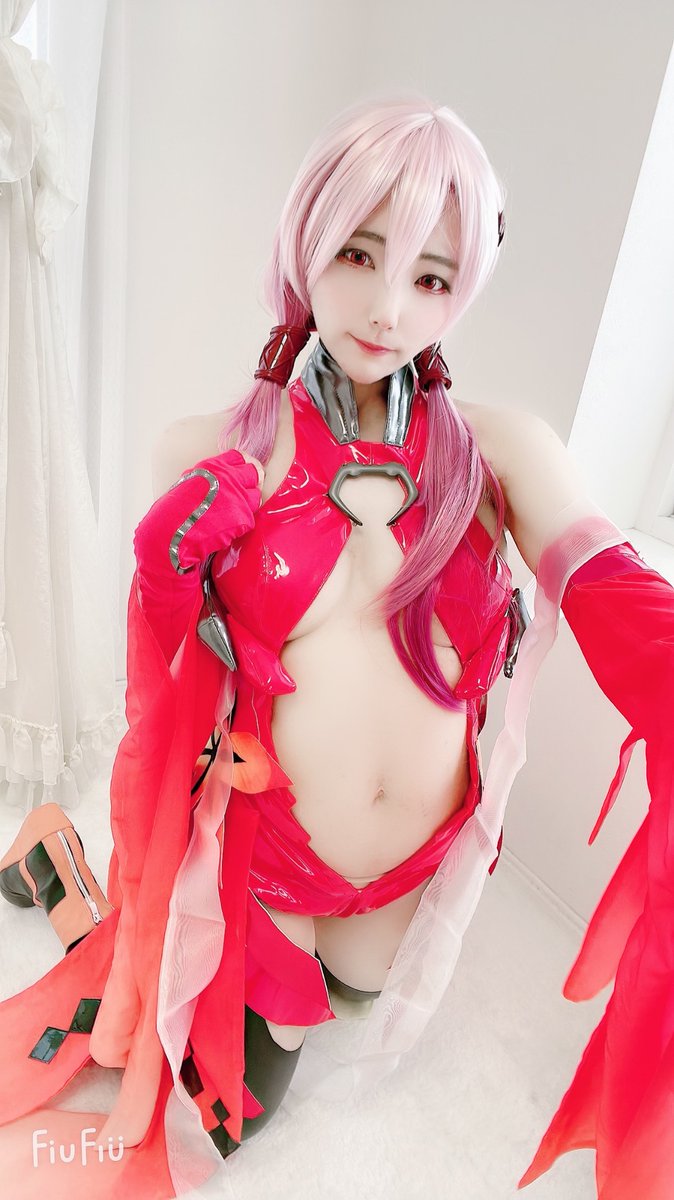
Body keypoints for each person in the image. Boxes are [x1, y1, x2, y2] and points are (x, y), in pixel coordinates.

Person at [0, 93, 672, 1200]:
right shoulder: (210, 452)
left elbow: (614, 592)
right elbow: (160, 706)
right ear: (305, 238)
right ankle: (59, 870)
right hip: (267, 863)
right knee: (212, 1110)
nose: (388, 309)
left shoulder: (504, 451)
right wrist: (163, 576)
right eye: (359, 255)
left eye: (431, 278)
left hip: (411, 875)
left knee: (356, 1000)